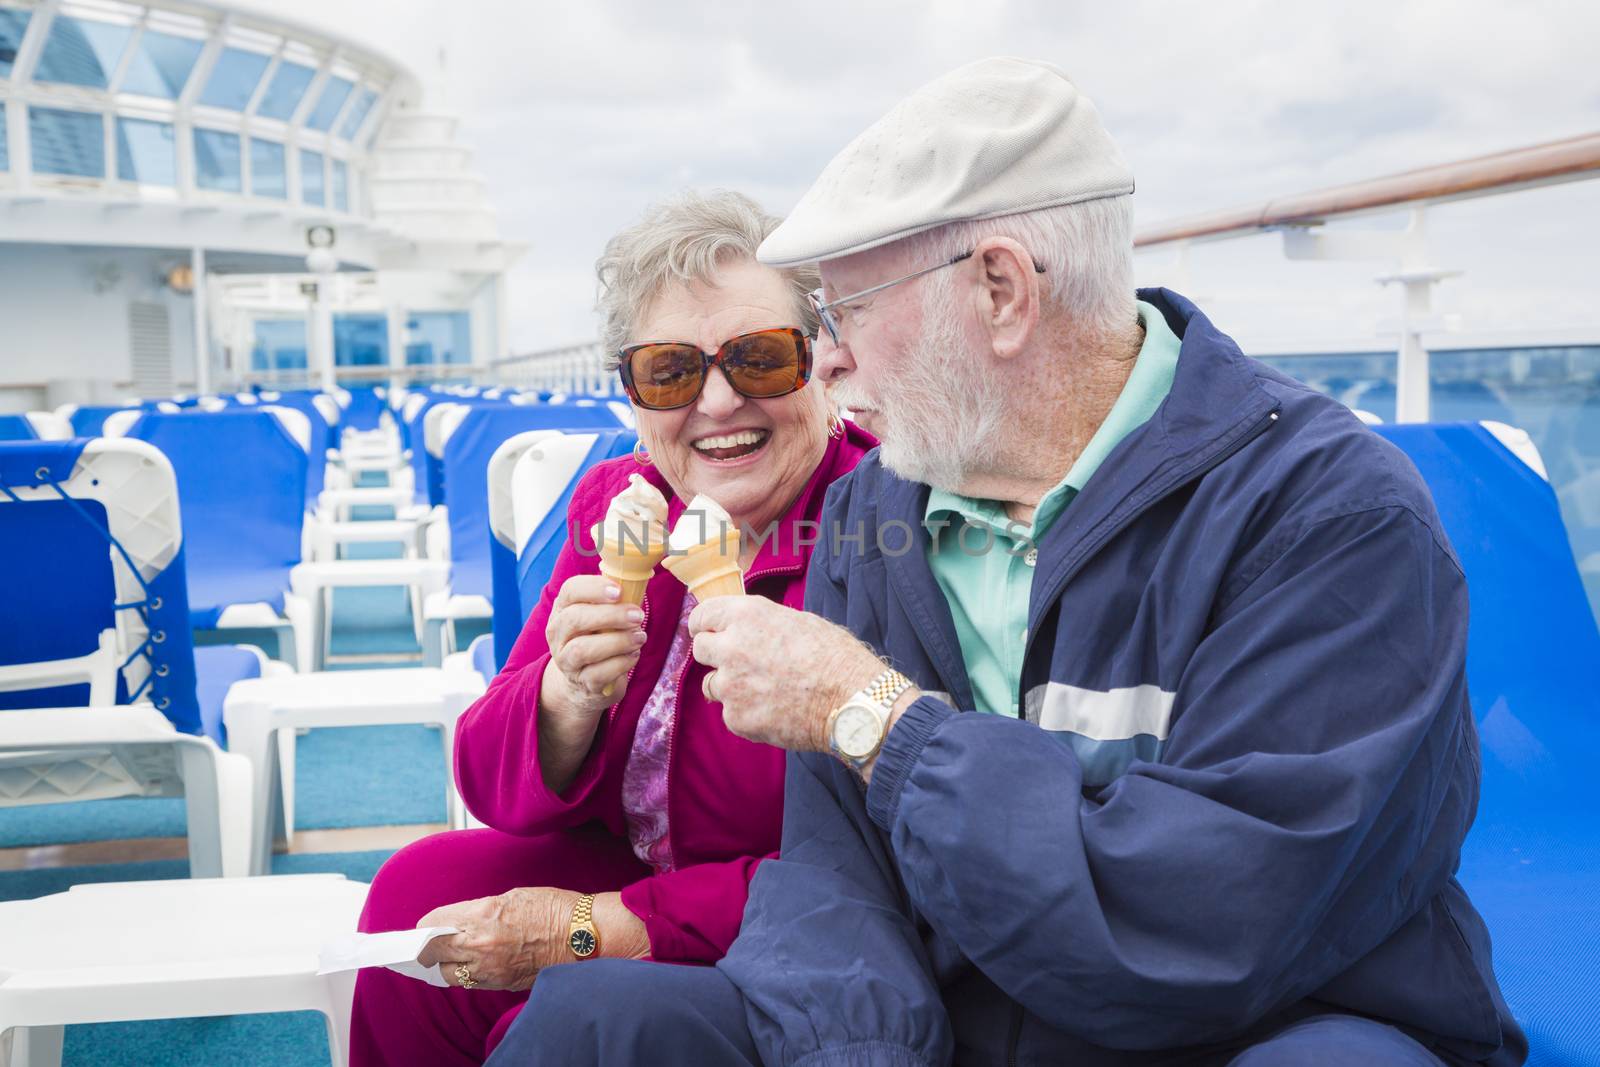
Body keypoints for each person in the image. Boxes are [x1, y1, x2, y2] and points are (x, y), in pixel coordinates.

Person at [488, 59, 1526, 1066]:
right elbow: (832, 881)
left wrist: (879, 722)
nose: (830, 360)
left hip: (1257, 1022)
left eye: (844, 312)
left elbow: (1208, 916)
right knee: (594, 1023)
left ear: (997, 290)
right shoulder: (872, 509)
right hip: (954, 1019)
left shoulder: (1329, 513)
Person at [349, 189, 874, 1065]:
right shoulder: (621, 505)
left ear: (819, 360)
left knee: (571, 1004)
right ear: (630, 391)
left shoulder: (877, 524)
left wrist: (593, 927)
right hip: (636, 869)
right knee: (420, 895)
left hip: (799, 922)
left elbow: (876, 866)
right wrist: (564, 697)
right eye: (670, 370)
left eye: (758, 358)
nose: (716, 401)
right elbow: (489, 778)